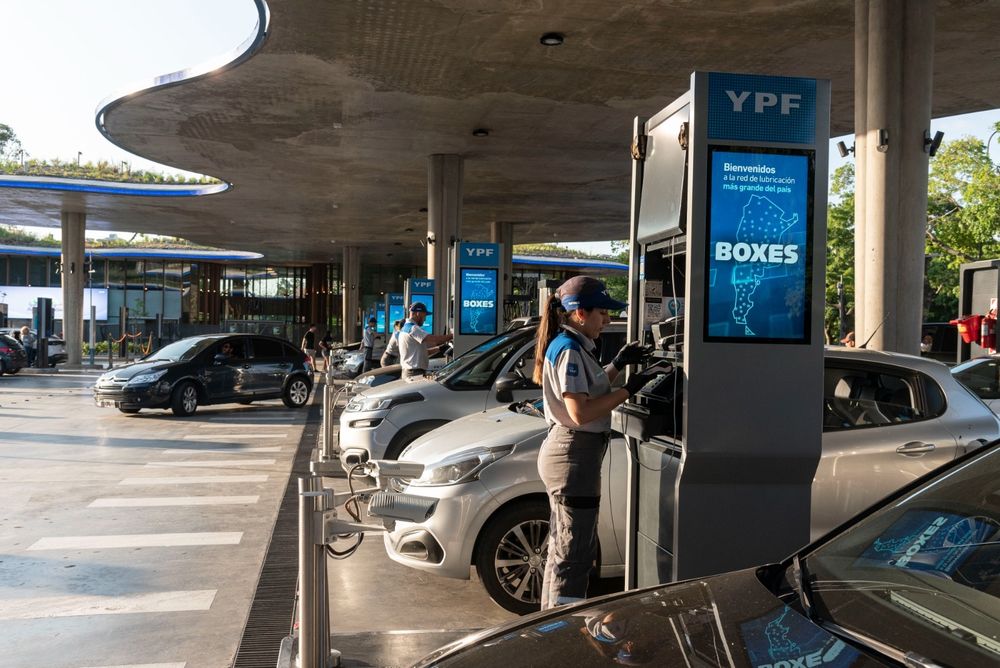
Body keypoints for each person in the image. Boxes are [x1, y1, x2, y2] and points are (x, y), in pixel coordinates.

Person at [533, 276, 656, 610]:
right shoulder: (570, 351)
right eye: (602, 312)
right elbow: (580, 412)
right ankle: (561, 631)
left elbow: (591, 387)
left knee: (564, 547)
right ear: (580, 313)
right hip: (574, 456)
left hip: (570, 454)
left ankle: (549, 621)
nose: (608, 319)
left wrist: (619, 364)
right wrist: (631, 389)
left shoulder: (570, 345)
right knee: (575, 554)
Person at [398, 302, 453, 378]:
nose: (425, 319)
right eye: (424, 315)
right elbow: (435, 340)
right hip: (414, 372)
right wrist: (453, 335)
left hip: (410, 371)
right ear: (418, 313)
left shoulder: (405, 328)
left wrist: (439, 348)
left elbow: (420, 353)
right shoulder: (413, 329)